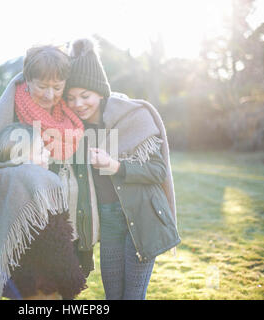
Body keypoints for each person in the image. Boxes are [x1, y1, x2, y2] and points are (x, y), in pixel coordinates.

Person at [0, 44, 98, 299]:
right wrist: (28, 174)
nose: (50, 95)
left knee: (54, 289)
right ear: (28, 80)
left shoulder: (69, 113)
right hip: (18, 216)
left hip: (61, 221)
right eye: (42, 87)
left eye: (57, 87)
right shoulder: (10, 109)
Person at [65, 38, 181, 300]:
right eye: (71, 98)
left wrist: (114, 165)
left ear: (100, 92)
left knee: (132, 296)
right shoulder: (73, 129)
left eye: (85, 96)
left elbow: (157, 170)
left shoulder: (131, 117)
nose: (79, 104)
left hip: (141, 216)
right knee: (112, 295)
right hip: (108, 220)